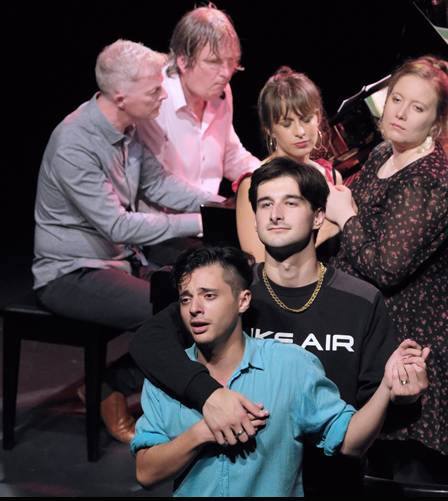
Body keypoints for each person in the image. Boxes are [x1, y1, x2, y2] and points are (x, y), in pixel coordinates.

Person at [129, 157, 430, 495]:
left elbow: (380, 408)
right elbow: (147, 341)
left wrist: (403, 393)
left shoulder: (360, 300)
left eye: (291, 203)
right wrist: (210, 396)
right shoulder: (227, 295)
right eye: (265, 204)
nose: (275, 214)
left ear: (318, 216)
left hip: (333, 479)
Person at [33, 39, 224, 444]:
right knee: (182, 312)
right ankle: (110, 387)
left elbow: (160, 185)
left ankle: (110, 385)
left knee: (206, 298)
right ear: (120, 96)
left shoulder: (128, 128)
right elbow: (116, 226)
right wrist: (200, 222)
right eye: (154, 90)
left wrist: (220, 206)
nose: (163, 96)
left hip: (119, 262)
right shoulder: (73, 142)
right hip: (70, 273)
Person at [327, 55, 448, 484]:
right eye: (396, 99)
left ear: (437, 122)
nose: (401, 113)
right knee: (361, 460)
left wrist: (346, 217)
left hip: (411, 337)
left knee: (401, 470)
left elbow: (386, 268)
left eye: (417, 107)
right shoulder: (382, 154)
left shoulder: (428, 181)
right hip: (373, 329)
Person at [137, 3, 260, 196]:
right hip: (169, 214)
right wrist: (215, 205)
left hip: (209, 210)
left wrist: (270, 177)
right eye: (214, 62)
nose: (226, 73)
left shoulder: (221, 92)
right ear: (183, 61)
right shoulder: (156, 98)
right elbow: (155, 183)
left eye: (230, 62)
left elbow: (230, 155)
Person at [235, 66, 342, 263]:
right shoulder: (253, 183)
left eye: (306, 119)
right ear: (269, 128)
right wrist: (323, 232)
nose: (300, 131)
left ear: (318, 117)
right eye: (287, 124)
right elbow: (258, 264)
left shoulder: (331, 176)